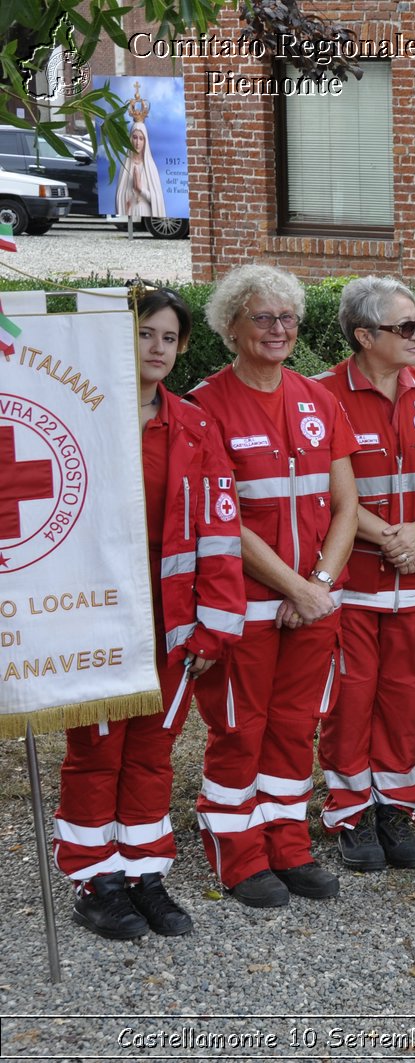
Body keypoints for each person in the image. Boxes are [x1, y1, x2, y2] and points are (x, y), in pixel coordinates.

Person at [53, 287, 245, 938]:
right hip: (98, 615)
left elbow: (221, 531)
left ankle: (143, 871)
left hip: (173, 619)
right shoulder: (78, 417)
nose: (157, 347)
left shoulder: (195, 426)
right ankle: (93, 878)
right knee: (97, 747)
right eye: (144, 334)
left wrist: (217, 619)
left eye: (169, 337)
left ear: (183, 346)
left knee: (153, 748)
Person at [189, 265, 359, 907]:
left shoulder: (318, 400)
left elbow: (346, 505)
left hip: (312, 602)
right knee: (241, 727)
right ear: (230, 327)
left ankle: (287, 844)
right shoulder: (206, 406)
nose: (278, 329)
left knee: (294, 726)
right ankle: (236, 850)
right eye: (262, 318)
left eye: (287, 318)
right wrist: (295, 586)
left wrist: (316, 585)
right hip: (246, 606)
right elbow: (221, 519)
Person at [315, 277, 415, 869]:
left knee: (403, 699)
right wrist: (388, 537)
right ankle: (351, 812)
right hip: (354, 581)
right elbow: (327, 494)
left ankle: (396, 808)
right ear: (364, 336)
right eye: (405, 328)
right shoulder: (323, 395)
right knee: (352, 701)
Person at [114, 112, 166, 220]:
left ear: (145, 141)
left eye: (141, 139)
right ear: (130, 139)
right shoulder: (126, 164)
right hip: (130, 210)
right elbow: (120, 195)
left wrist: (140, 188)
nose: (138, 142)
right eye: (135, 137)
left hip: (145, 211)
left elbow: (157, 199)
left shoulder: (150, 166)